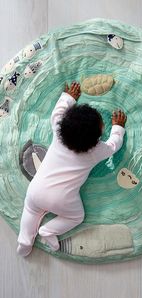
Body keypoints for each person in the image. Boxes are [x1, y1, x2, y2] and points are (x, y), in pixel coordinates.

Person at [17, 81, 127, 257]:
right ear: (97, 138)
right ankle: (49, 231)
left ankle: (24, 241)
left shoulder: (58, 128)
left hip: (36, 190)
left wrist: (69, 97)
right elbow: (114, 144)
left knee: (30, 211)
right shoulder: (97, 151)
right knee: (76, 217)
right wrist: (118, 127)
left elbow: (58, 111)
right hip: (63, 200)